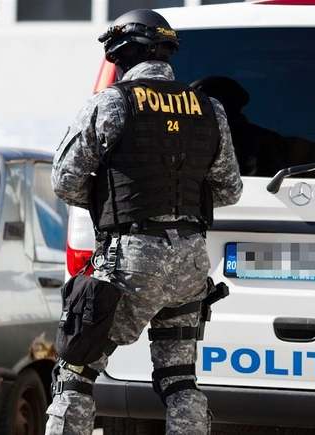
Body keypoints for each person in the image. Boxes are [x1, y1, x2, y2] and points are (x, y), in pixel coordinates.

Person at [47, 9, 243, 435]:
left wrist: (111, 203)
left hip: (130, 261)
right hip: (191, 263)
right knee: (180, 380)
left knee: (74, 373)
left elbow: (64, 181)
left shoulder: (111, 102)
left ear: (121, 56)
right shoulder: (210, 108)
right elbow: (229, 190)